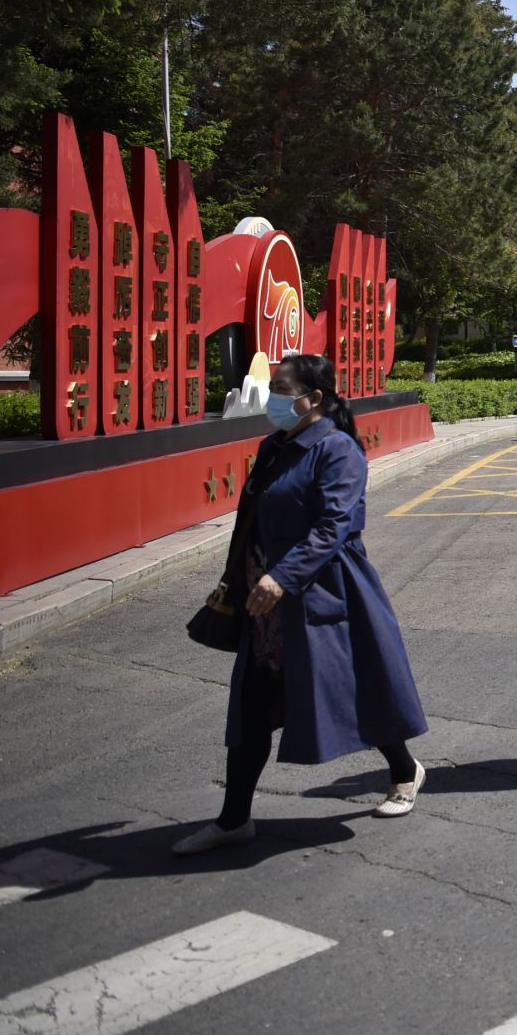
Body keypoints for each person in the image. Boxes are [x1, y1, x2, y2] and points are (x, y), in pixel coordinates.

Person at [174, 355, 429, 856]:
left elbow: (333, 527)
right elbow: (251, 521)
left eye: (282, 389)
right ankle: (233, 820)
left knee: (358, 689)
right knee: (250, 707)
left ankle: (404, 770)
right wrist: (238, 577)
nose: (273, 397)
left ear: (313, 398)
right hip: (266, 598)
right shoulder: (273, 446)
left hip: (326, 591)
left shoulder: (338, 450)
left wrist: (284, 577)